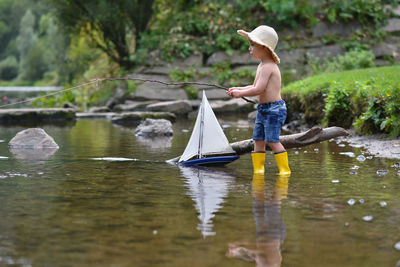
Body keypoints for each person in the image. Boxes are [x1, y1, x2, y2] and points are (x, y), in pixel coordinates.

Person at [227, 25, 290, 175]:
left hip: (274, 109)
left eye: (252, 44)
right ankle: (259, 170)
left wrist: (239, 94)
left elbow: (259, 89)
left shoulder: (269, 66)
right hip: (264, 109)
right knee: (258, 140)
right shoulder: (262, 65)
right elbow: (255, 86)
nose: (250, 48)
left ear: (264, 47)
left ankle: (285, 170)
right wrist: (239, 89)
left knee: (272, 140)